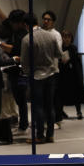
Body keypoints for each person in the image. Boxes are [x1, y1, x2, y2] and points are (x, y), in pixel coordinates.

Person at [20, 14, 61, 143]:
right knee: (50, 105)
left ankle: (39, 136)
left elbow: (24, 61)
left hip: (36, 76)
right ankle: (50, 135)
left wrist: (27, 72)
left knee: (38, 106)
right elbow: (58, 54)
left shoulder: (27, 39)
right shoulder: (51, 35)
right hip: (51, 74)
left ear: (26, 25)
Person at [40, 10, 65, 122]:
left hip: (52, 70)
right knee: (44, 98)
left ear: (53, 22)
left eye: (48, 19)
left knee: (52, 98)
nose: (45, 21)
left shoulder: (56, 34)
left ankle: (56, 120)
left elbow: (58, 52)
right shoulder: (40, 33)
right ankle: (45, 120)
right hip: (42, 70)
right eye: (44, 19)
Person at [59, 30, 84, 120]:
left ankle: (79, 111)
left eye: (68, 37)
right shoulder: (59, 48)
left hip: (73, 74)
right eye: (64, 37)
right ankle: (60, 111)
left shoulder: (73, 48)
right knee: (61, 93)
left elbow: (76, 62)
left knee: (76, 93)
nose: (66, 39)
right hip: (62, 73)